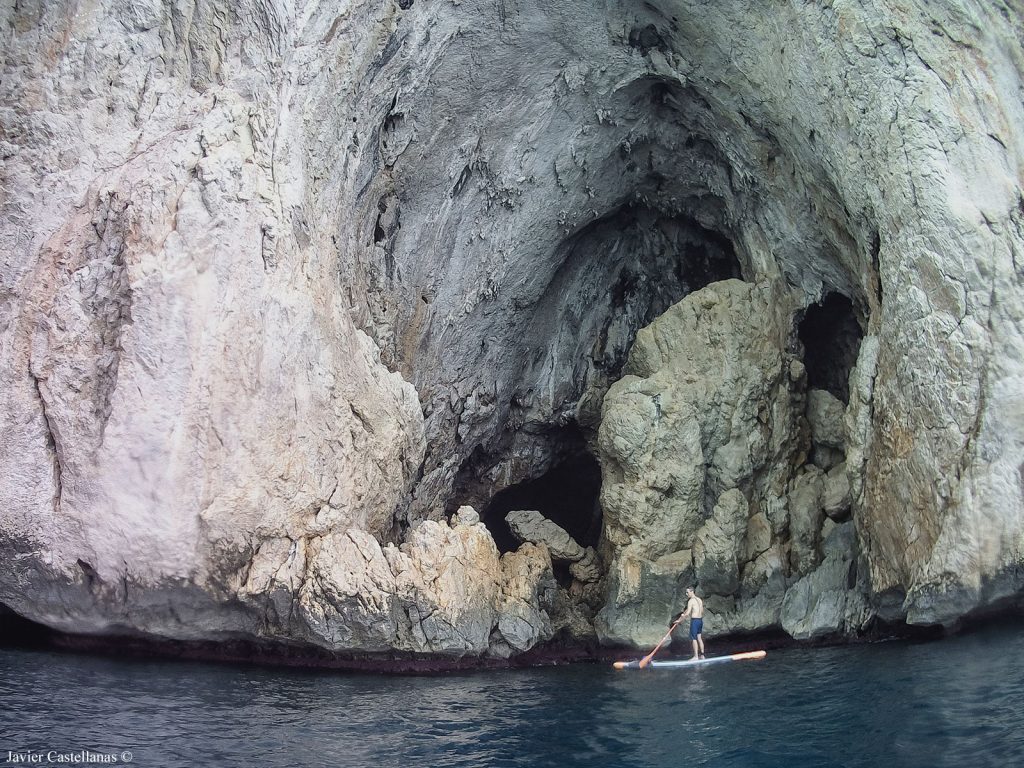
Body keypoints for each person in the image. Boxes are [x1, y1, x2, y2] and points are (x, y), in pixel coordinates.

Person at [673, 587, 705, 660]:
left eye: (687, 592)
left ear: (692, 591)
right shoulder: (699, 600)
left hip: (695, 621)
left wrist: (680, 620)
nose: (686, 594)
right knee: (699, 638)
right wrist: (680, 618)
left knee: (694, 639)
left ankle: (696, 657)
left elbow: (687, 613)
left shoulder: (691, 601)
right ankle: (702, 655)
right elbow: (701, 610)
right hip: (700, 621)